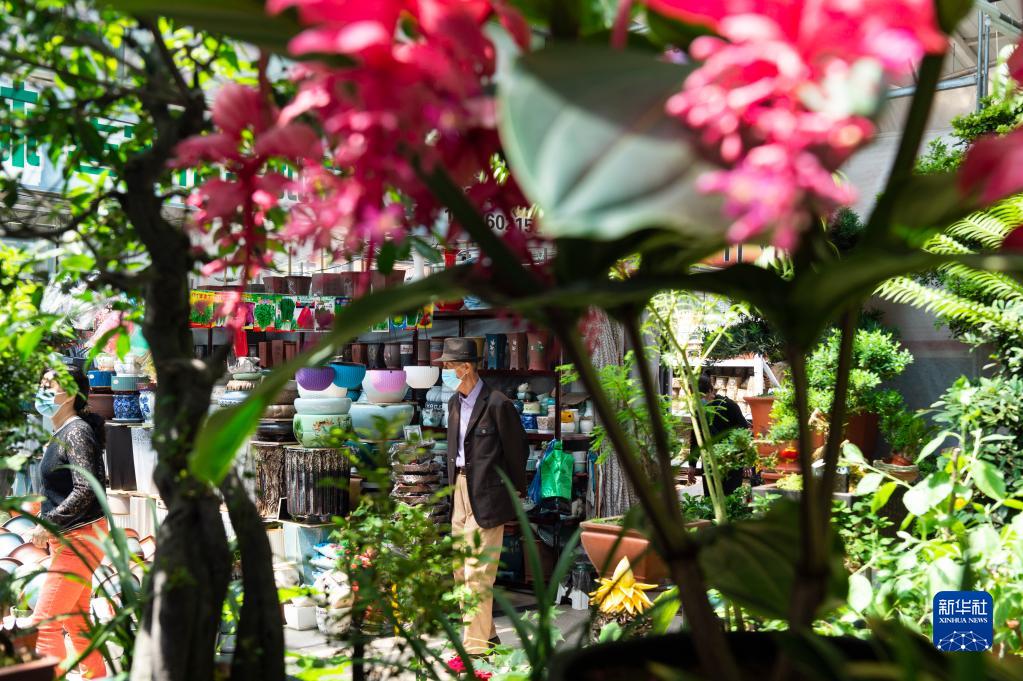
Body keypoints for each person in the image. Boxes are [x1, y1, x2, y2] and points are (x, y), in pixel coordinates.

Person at [437, 337, 528, 655]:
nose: (445, 372)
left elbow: (518, 451)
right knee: (461, 571)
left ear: (466, 367)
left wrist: (515, 493)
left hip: (489, 495)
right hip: (459, 491)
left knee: (478, 573)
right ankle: (487, 637)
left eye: (449, 366)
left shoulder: (498, 404)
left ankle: (473, 650)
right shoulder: (453, 403)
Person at [29, 365, 108, 678]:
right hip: (73, 537)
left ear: (71, 394)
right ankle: (98, 676)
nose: (42, 392)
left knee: (43, 626)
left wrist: (48, 522)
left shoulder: (76, 432)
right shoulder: (63, 432)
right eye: (41, 385)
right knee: (77, 621)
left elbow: (86, 489)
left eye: (49, 387)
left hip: (81, 538)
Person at [689, 373, 750, 496]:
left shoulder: (729, 406)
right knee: (711, 498)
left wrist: (746, 460)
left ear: (711, 391)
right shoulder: (698, 411)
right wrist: (692, 465)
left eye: (701, 396)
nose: (699, 400)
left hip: (732, 462)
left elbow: (744, 432)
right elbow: (696, 438)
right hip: (709, 463)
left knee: (730, 498)